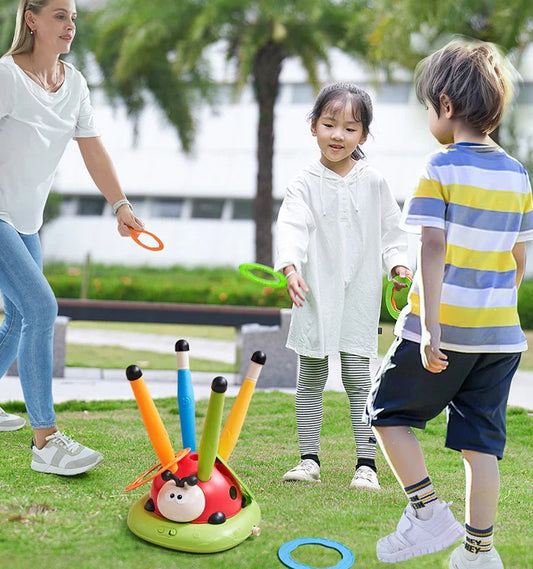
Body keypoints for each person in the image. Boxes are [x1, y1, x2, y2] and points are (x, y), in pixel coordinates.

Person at [365, 38, 533, 568]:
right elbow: (519, 259)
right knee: (481, 446)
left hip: (441, 329)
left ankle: (428, 512)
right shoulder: (517, 173)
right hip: (500, 337)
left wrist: (432, 327)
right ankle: (479, 552)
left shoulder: (440, 165)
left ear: (445, 103)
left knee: (386, 412)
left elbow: (432, 247)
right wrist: (493, 307)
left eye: (427, 108)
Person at [0, 0, 144, 475]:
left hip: (25, 220)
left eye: (74, 18)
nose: (69, 26)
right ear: (32, 19)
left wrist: (120, 205)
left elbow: (92, 148)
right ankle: (46, 441)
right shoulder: (6, 77)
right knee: (41, 308)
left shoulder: (74, 83)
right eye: (59, 16)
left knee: (19, 319)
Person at [274, 82, 411, 491]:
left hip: (360, 292)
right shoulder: (303, 182)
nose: (338, 135)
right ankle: (308, 460)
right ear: (313, 126)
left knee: (357, 376)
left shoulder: (374, 181)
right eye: (329, 124)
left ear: (363, 135)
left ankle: (366, 465)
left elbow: (392, 232)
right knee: (311, 374)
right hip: (314, 290)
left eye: (350, 128)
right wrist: (290, 268)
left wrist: (398, 264)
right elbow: (291, 226)